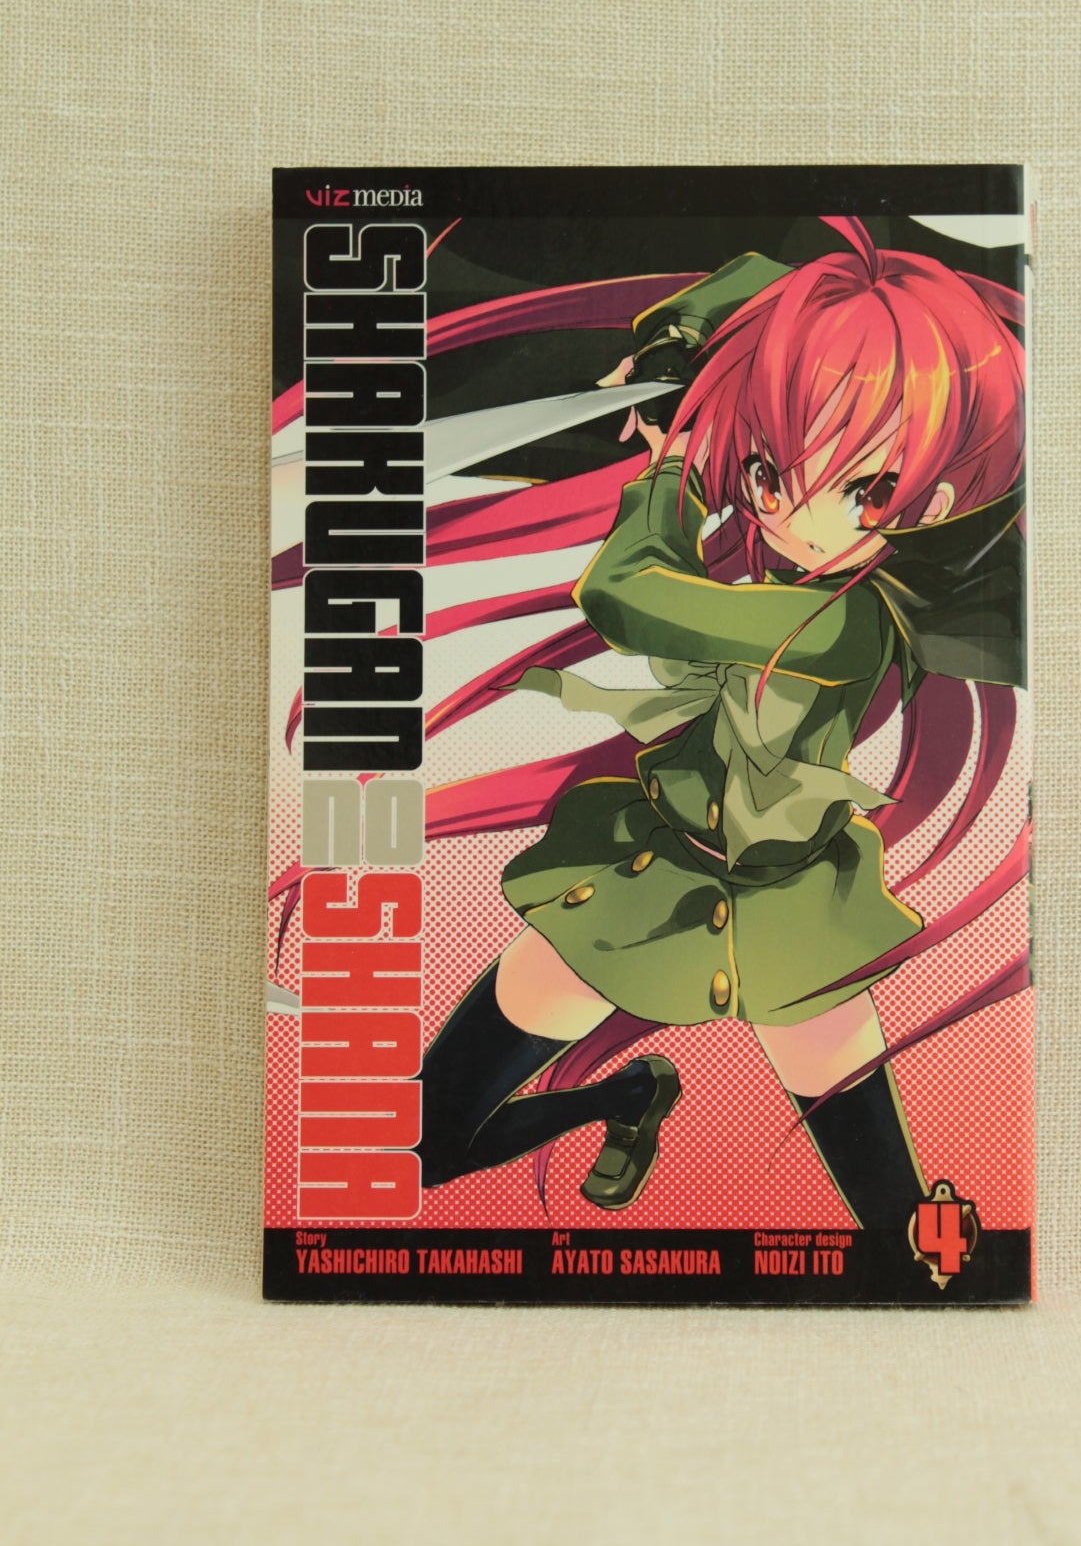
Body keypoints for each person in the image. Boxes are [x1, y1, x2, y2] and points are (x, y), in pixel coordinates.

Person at [413, 216, 1026, 1235]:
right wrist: (681, 342)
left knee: (900, 1233)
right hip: (649, 879)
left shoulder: (840, 623)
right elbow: (764, 281)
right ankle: (625, 1096)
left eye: (864, 488)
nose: (795, 516)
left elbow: (623, 594)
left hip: (794, 918)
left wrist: (676, 471)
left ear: (938, 496)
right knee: (416, 1148)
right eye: (769, 474)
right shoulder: (786, 578)